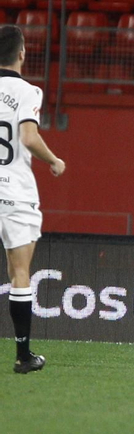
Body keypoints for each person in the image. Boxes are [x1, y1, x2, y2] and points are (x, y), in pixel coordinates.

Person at [0, 25, 66, 374]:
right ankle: (23, 357)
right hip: (14, 192)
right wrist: (54, 160)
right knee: (20, 273)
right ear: (22, 53)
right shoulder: (28, 92)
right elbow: (27, 137)